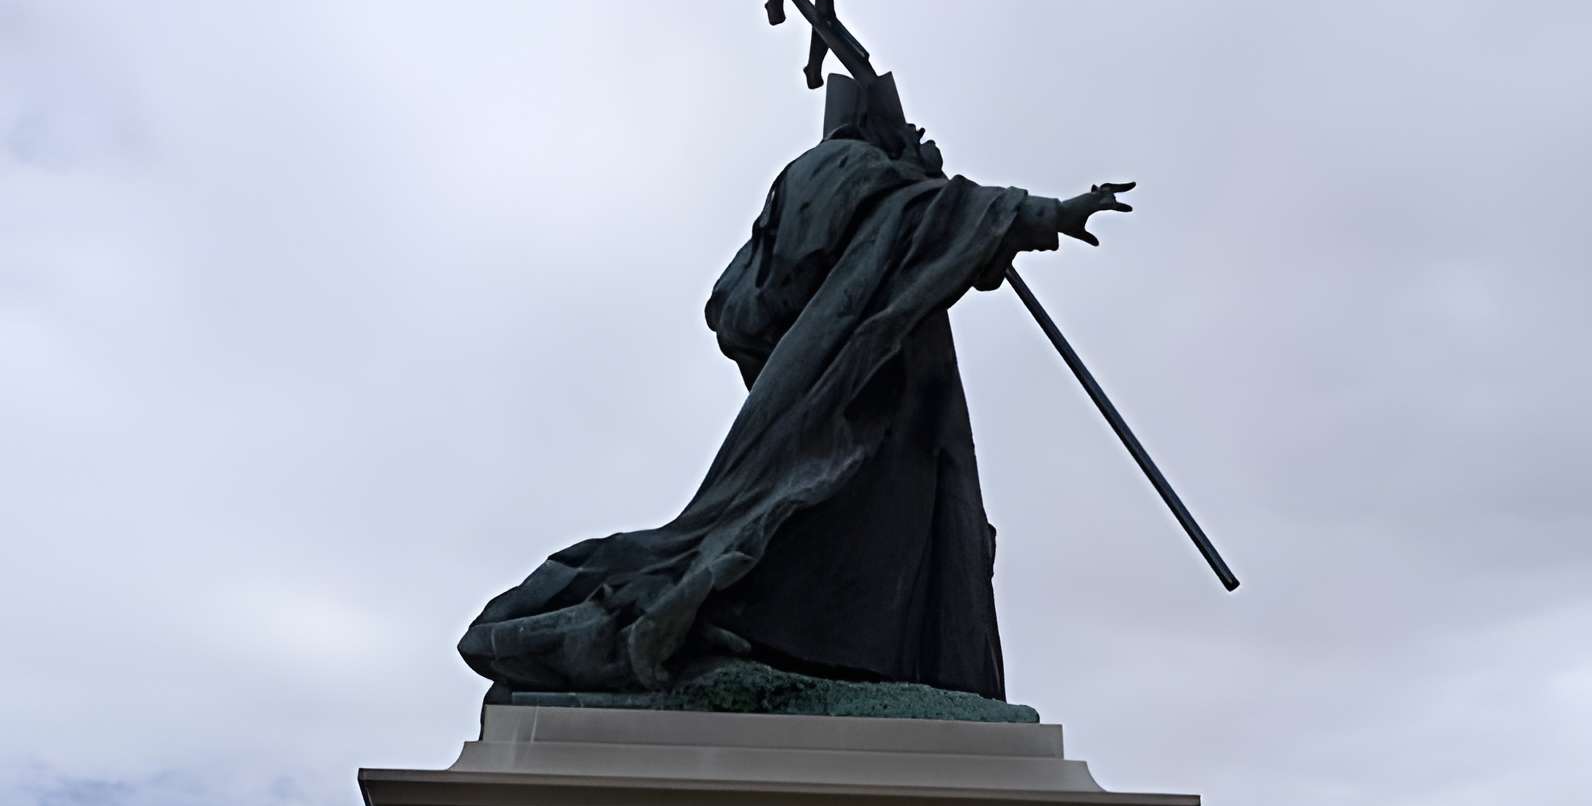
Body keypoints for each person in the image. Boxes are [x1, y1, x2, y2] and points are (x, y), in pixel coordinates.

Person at [460, 72, 1131, 702]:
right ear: (876, 129)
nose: (925, 145)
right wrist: (1043, 214)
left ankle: (813, 657)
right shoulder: (848, 166)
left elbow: (748, 305)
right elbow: (921, 216)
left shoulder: (819, 183)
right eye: (912, 134)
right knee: (808, 519)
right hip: (862, 391)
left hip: (843, 383)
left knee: (825, 530)